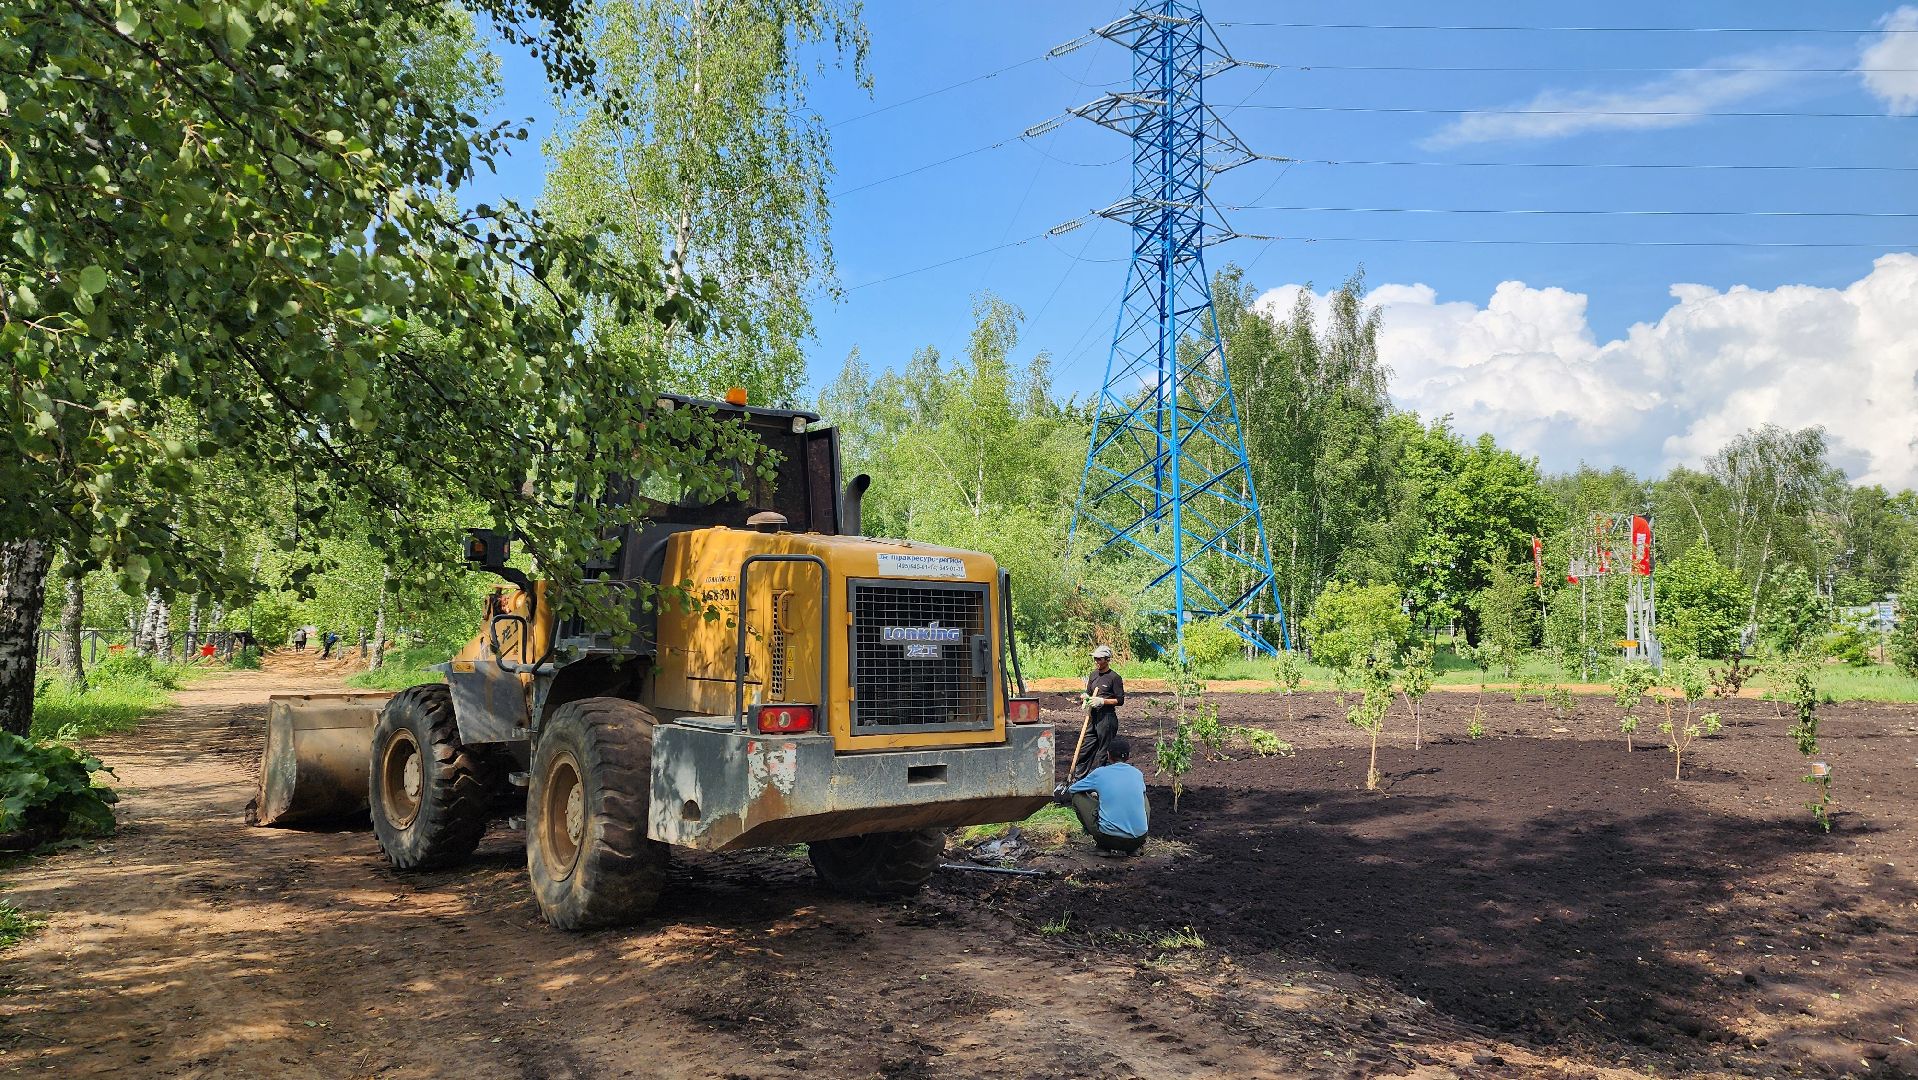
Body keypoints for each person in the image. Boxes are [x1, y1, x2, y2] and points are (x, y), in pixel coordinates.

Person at [1057, 737, 1148, 855]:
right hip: (1138, 839)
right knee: (1143, 796)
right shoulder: (1137, 774)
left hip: (1108, 838)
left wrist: (1094, 793)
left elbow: (1073, 789)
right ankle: (1133, 849)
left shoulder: (1100, 773)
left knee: (1077, 796)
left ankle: (1102, 846)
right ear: (1128, 756)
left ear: (1108, 755)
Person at [1071, 644, 1126, 780]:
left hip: (1107, 719)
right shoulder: (1093, 675)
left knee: (1103, 752)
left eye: (1099, 659)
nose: (1096, 662)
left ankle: (1101, 782)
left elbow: (1120, 700)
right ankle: (1078, 779)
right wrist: (1085, 697)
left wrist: (1102, 701)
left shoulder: (1114, 678)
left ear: (1107, 659)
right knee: (1086, 749)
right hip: (1093, 717)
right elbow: (1089, 692)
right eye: (1095, 659)